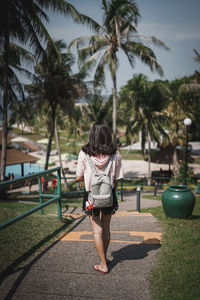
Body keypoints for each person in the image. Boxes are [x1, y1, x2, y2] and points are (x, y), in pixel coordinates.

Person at [76, 122, 123, 274]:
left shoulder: (84, 152)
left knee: (97, 230)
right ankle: (104, 259)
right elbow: (116, 178)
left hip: (91, 196)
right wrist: (109, 186)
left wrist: (90, 180)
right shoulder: (115, 153)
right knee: (107, 227)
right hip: (109, 194)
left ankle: (103, 263)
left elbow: (78, 177)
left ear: (92, 135)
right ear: (108, 134)